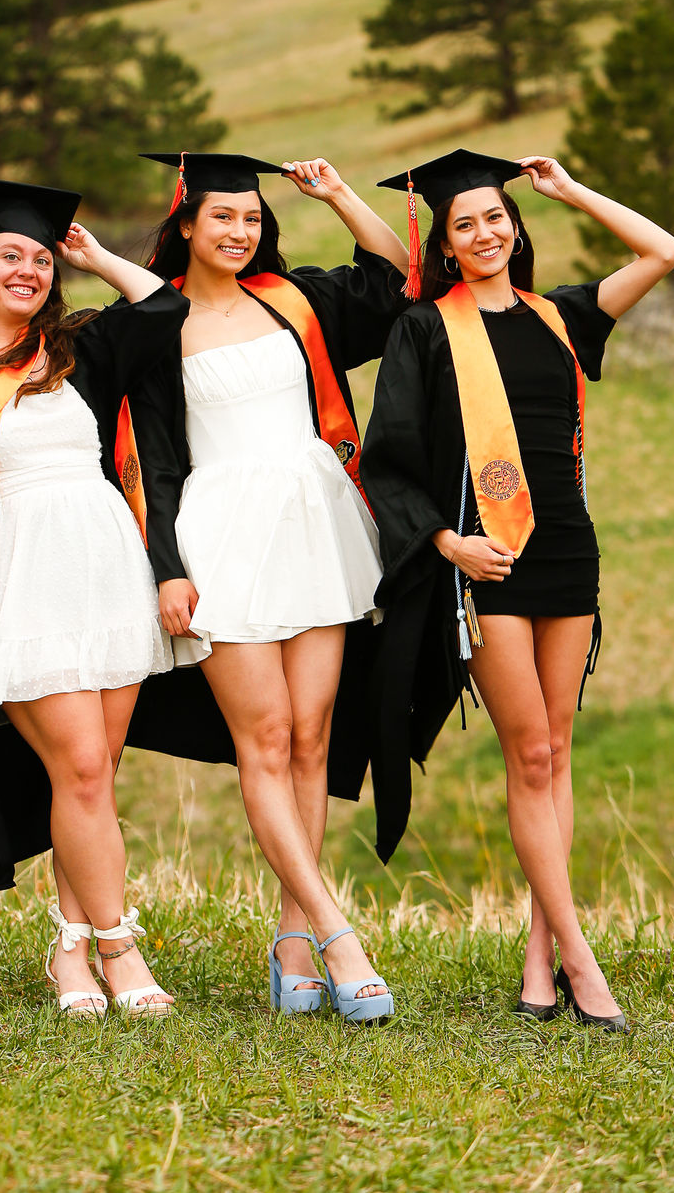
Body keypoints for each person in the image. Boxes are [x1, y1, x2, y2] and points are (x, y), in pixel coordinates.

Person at [361, 149, 674, 1032]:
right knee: (530, 754)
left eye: (494, 217)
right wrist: (445, 543)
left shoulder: (562, 317)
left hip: (567, 553)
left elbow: (663, 252)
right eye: (463, 225)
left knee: (560, 753)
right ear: (446, 247)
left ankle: (540, 959)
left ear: (514, 225)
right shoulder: (426, 329)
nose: (484, 233)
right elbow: (386, 454)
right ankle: (579, 955)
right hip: (491, 561)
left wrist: (572, 188)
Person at [0, 176, 189, 1018]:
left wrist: (96, 256)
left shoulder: (80, 350)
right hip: (21, 586)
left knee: (89, 780)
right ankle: (119, 947)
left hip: (105, 573)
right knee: (81, 767)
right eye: (9, 256)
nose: (29, 271)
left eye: (43, 260)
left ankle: (69, 950)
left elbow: (162, 308)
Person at [127, 152, 408, 1022]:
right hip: (220, 536)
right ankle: (335, 930)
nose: (239, 232)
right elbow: (156, 459)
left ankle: (292, 944)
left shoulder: (295, 299)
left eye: (251, 218)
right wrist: (168, 568)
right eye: (222, 218)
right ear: (185, 223)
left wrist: (335, 194)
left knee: (314, 737)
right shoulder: (153, 321)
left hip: (315, 527)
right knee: (268, 737)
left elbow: (398, 277)